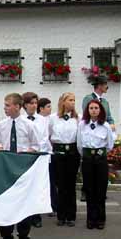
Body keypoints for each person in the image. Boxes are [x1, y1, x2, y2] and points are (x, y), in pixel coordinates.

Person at [0, 93, 41, 239]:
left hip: (22, 172)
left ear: (17, 107)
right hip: (6, 171)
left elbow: (36, 146)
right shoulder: (0, 125)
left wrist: (25, 152)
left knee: (22, 207)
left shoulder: (29, 125)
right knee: (5, 206)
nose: (5, 108)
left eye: (7, 105)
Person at [77, 100, 115, 230]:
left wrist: (99, 154)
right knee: (89, 189)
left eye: (96, 108)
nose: (93, 110)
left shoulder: (105, 126)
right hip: (87, 160)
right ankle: (90, 219)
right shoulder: (82, 125)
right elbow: (79, 144)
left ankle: (100, 219)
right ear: (87, 110)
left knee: (100, 190)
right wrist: (87, 155)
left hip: (100, 160)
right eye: (91, 108)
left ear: (100, 110)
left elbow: (109, 145)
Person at [81, 75, 115, 202]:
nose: (107, 86)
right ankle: (86, 191)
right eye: (105, 84)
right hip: (91, 132)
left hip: (103, 134)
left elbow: (109, 117)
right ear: (99, 85)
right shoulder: (88, 99)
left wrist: (112, 125)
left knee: (101, 167)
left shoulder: (105, 102)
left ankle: (100, 191)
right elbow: (86, 115)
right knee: (88, 166)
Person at [49, 93, 80, 227]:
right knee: (60, 185)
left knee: (70, 185)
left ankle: (71, 215)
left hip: (73, 153)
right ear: (63, 102)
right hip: (58, 153)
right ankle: (61, 215)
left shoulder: (78, 118)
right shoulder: (53, 118)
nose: (72, 102)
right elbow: (48, 135)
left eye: (74, 100)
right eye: (70, 100)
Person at [22, 92, 49, 228]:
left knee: (37, 187)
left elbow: (44, 138)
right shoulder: (21, 119)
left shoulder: (42, 120)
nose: (34, 105)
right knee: (26, 186)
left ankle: (36, 216)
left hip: (38, 155)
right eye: (31, 103)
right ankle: (25, 214)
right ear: (25, 105)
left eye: (35, 103)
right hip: (25, 156)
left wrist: (37, 150)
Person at [38, 97, 57, 214]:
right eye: (48, 106)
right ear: (41, 108)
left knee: (51, 181)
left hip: (49, 154)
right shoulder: (39, 120)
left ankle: (53, 205)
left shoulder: (51, 119)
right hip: (39, 154)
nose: (50, 109)